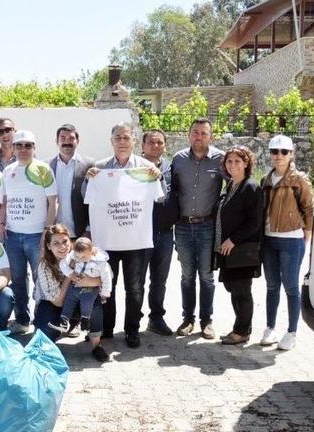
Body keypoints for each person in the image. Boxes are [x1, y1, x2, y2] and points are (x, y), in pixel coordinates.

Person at [85, 123, 163, 348]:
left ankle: (132, 330)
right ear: (111, 141)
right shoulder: (98, 168)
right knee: (107, 285)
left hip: (135, 240)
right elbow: (86, 197)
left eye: (126, 137)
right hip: (107, 241)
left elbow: (160, 198)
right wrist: (89, 179)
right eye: (118, 137)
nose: (122, 141)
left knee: (135, 288)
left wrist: (157, 177)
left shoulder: (146, 168)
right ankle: (107, 328)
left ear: (134, 141)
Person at [172, 118, 225, 339]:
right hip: (183, 226)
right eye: (195, 132)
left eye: (204, 133)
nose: (199, 137)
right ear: (189, 134)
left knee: (206, 275)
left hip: (207, 226)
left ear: (211, 136)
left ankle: (207, 320)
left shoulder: (221, 159)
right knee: (186, 276)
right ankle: (188, 319)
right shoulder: (178, 159)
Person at [0, 130, 58, 334]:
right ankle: (22, 319)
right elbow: (5, 201)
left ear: (34, 148)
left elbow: (53, 202)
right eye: (19, 145)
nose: (23, 149)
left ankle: (41, 322)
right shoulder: (8, 171)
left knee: (41, 279)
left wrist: (47, 232)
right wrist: (1, 223)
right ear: (13, 148)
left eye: (28, 145)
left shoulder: (43, 169)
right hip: (13, 235)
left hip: (36, 236)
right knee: (17, 279)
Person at [260, 135, 314, 350]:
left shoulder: (298, 179)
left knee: (291, 287)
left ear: (291, 154)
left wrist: (306, 238)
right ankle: (270, 327)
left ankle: (292, 332)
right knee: (272, 286)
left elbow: (309, 209)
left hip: (292, 241)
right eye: (275, 151)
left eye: (284, 152)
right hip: (269, 240)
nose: (279, 156)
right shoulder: (266, 179)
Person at [33, 224, 109, 362]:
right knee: (46, 332)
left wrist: (93, 282)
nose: (62, 247)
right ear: (49, 246)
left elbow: (106, 276)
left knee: (95, 303)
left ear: (71, 241)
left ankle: (97, 345)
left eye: (65, 241)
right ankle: (51, 337)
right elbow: (58, 301)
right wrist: (70, 276)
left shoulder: (82, 252)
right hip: (53, 304)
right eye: (56, 243)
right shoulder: (44, 266)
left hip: (79, 301)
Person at [213, 146, 263, 345]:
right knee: (232, 288)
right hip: (228, 250)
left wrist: (233, 240)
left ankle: (242, 331)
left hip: (241, 250)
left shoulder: (251, 187)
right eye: (229, 161)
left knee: (241, 291)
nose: (233, 164)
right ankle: (241, 328)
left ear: (246, 164)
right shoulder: (231, 185)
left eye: (237, 161)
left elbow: (255, 221)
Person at [142, 129, 176, 336]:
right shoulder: (134, 166)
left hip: (164, 233)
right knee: (136, 281)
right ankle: (133, 321)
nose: (156, 146)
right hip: (139, 233)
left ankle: (156, 318)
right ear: (143, 146)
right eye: (151, 143)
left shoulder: (172, 168)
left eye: (160, 143)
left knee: (159, 280)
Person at [50, 237, 112, 336]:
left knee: (86, 303)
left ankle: (85, 321)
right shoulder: (74, 255)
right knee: (69, 300)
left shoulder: (100, 262)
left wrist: (105, 292)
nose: (79, 259)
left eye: (83, 257)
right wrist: (70, 273)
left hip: (91, 288)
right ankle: (64, 321)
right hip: (75, 285)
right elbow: (63, 263)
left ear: (91, 252)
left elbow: (107, 277)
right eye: (77, 257)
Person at [49, 123, 92, 240]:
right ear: (56, 141)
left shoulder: (89, 165)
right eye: (62, 138)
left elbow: (94, 200)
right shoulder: (47, 167)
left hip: (80, 234)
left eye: (71, 138)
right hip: (54, 235)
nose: (66, 142)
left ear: (77, 141)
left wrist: (88, 230)